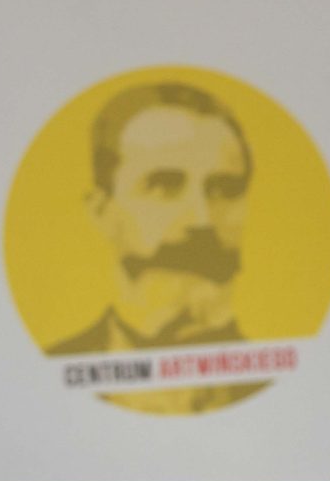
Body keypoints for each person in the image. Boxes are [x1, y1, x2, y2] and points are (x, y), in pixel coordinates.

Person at [48, 79, 261, 413]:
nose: (202, 219)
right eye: (164, 185)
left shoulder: (279, 377)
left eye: (224, 189)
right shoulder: (48, 373)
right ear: (102, 212)